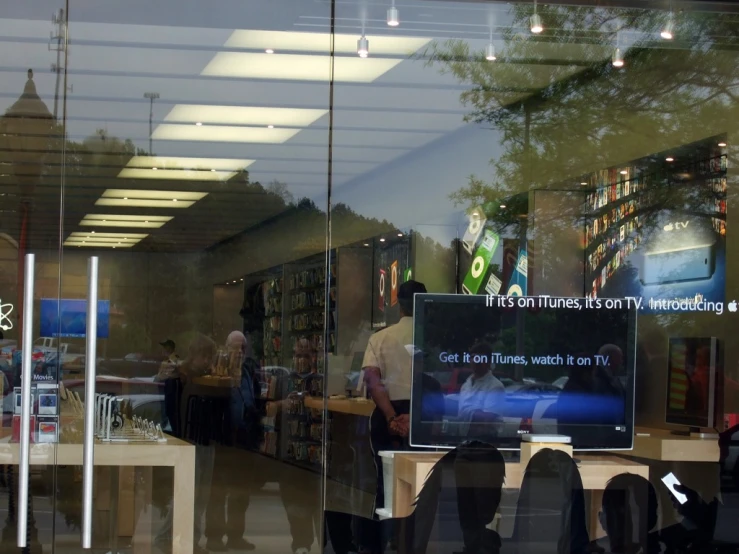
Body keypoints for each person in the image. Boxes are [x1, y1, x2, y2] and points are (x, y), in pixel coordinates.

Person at [362, 279, 427, 553]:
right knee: (424, 483)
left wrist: (391, 417)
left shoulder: (380, 338)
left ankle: (383, 543)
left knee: (386, 482)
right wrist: (413, 417)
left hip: (389, 416)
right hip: (423, 414)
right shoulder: (431, 336)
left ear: (399, 305)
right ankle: (415, 543)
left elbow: (372, 380)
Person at [204, 331, 258, 552]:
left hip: (243, 439)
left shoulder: (247, 372)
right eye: (235, 348)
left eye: (243, 348)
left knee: (241, 492)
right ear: (226, 348)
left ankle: (236, 536)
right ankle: (214, 537)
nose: (239, 353)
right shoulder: (219, 372)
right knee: (218, 492)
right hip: (223, 437)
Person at [458, 342, 506, 424]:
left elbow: (486, 420)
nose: (477, 361)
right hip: (463, 435)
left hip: (485, 436)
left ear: (489, 361)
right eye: (474, 357)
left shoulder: (496, 386)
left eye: (481, 358)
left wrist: (466, 411)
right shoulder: (466, 385)